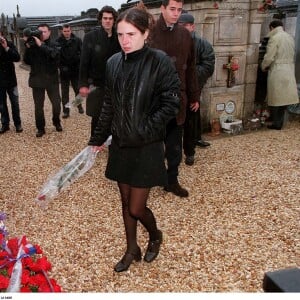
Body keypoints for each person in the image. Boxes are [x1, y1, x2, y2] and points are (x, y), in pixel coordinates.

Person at [88, 6, 180, 272]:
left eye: (131, 34)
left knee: (137, 208)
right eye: (120, 35)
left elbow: (171, 103)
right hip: (120, 145)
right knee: (125, 203)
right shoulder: (113, 63)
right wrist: (97, 137)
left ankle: (155, 235)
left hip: (146, 145)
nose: (124, 41)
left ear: (146, 33)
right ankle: (132, 249)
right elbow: (109, 104)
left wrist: (145, 129)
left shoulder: (160, 61)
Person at [148, 0, 200, 196]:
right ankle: (150, 178)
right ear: (162, 9)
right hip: (154, 100)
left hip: (179, 98)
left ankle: (172, 180)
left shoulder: (185, 35)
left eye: (179, 10)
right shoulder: (149, 33)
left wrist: (194, 95)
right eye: (172, 9)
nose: (176, 14)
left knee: (174, 145)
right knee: (152, 143)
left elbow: (191, 67)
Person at [178, 12, 215, 165]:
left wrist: (189, 76)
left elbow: (208, 66)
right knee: (172, 124)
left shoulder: (203, 44)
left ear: (192, 26)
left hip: (193, 89)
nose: (181, 29)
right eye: (178, 26)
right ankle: (171, 152)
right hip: (175, 91)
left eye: (184, 26)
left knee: (190, 123)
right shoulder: (173, 44)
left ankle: (190, 152)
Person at [79, 6, 121, 138]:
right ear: (101, 20)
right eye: (105, 18)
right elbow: (84, 62)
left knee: (114, 114)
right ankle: (96, 141)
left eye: (110, 18)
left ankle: (111, 141)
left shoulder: (120, 37)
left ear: (114, 20)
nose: (108, 21)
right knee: (97, 115)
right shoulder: (90, 37)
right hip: (96, 83)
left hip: (115, 84)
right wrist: (83, 84)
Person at [23, 23, 62, 137]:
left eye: (44, 32)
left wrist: (41, 45)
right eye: (40, 32)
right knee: (38, 106)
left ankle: (56, 121)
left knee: (56, 104)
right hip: (37, 80)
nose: (42, 34)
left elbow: (55, 56)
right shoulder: (32, 44)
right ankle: (40, 128)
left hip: (52, 80)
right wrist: (28, 48)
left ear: (49, 32)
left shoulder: (55, 44)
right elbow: (26, 61)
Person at [261, 20, 299, 130]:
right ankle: (280, 122)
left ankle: (276, 124)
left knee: (276, 98)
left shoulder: (275, 38)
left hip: (277, 70)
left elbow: (269, 56)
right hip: (288, 69)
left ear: (272, 27)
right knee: (284, 99)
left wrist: (263, 66)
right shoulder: (289, 37)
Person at [56, 24, 84, 118]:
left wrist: (78, 59)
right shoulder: (58, 42)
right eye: (65, 31)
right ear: (62, 31)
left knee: (77, 90)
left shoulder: (77, 40)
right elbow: (56, 57)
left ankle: (79, 106)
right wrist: (60, 67)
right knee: (65, 93)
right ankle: (66, 111)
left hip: (75, 70)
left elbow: (82, 53)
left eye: (68, 31)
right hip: (64, 71)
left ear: (71, 31)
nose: (67, 33)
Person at [0, 31, 23, 134]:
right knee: (1, 104)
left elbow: (17, 58)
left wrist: (6, 48)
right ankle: (5, 124)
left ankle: (17, 123)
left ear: (2, 34)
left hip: (11, 80)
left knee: (15, 103)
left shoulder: (9, 44)